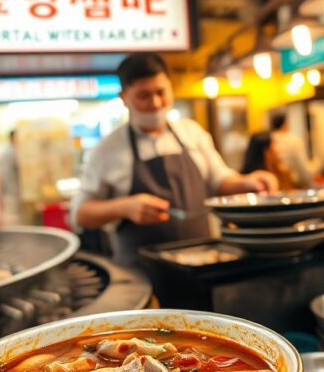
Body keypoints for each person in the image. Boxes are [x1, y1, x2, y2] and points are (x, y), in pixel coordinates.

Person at [73, 53, 278, 267]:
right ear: (124, 97)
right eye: (143, 96)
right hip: (142, 274)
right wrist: (124, 207)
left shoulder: (192, 133)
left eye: (161, 92)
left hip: (202, 264)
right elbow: (80, 213)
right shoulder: (107, 150)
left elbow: (218, 181)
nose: (155, 102)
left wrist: (247, 183)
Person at [269, 112, 317, 188]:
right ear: (285, 124)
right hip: (292, 186)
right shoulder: (293, 141)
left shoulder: (270, 138)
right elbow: (304, 171)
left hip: (273, 185)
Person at [0, 129, 22, 226]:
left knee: (11, 213)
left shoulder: (6, 150)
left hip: (8, 187)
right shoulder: (11, 151)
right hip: (11, 187)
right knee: (13, 214)